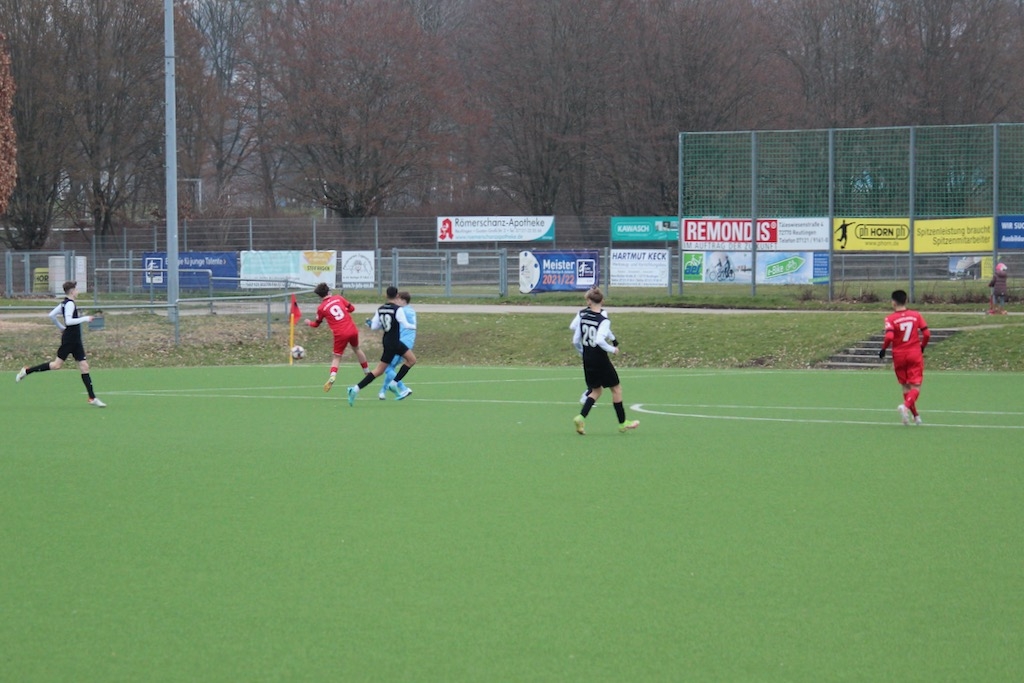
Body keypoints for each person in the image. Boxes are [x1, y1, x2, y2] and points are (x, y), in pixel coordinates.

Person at [15, 280, 106, 407]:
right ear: (72, 291)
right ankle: (27, 370)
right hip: (69, 340)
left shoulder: (65, 303)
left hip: (76, 340)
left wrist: (61, 327)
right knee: (56, 365)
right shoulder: (69, 304)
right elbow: (68, 321)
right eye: (76, 289)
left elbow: (52, 315)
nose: (77, 291)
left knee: (84, 366)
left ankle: (92, 398)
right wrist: (85, 319)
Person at [572, 287, 638, 435]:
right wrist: (612, 349)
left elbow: (575, 340)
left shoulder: (583, 317)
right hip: (600, 359)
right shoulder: (603, 320)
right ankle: (622, 423)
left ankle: (580, 417)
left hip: (587, 358)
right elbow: (599, 340)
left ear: (589, 301)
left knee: (596, 390)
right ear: (602, 301)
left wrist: (583, 352)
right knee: (616, 389)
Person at [347, 286, 416, 405]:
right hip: (394, 342)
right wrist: (413, 326)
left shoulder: (380, 309)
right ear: (397, 296)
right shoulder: (398, 309)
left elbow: (374, 327)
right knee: (410, 361)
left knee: (380, 370)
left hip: (387, 341)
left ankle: (356, 389)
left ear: (386, 295)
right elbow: (405, 324)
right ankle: (393, 384)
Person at [878, 289, 930, 426]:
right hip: (914, 353)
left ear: (893, 303)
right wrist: (922, 346)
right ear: (906, 300)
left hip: (899, 355)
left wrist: (883, 349)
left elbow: (889, 336)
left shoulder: (890, 318)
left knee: (905, 386)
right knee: (916, 387)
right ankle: (905, 407)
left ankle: (915, 416)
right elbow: (927, 334)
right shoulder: (916, 315)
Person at [306, 282, 369, 392]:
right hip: (352, 329)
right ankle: (367, 372)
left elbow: (316, 324)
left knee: (337, 357)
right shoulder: (338, 298)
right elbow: (352, 309)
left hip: (340, 333)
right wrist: (345, 310)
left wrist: (309, 323)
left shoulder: (321, 308)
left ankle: (332, 376)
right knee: (357, 349)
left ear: (319, 296)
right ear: (328, 291)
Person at [379, 290, 416, 400]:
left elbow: (388, 321)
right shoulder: (410, 310)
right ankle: (382, 391)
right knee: (391, 367)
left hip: (401, 342)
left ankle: (403, 388)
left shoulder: (401, 311)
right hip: (408, 342)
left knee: (387, 368)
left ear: (403, 300)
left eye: (398, 299)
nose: (396, 301)